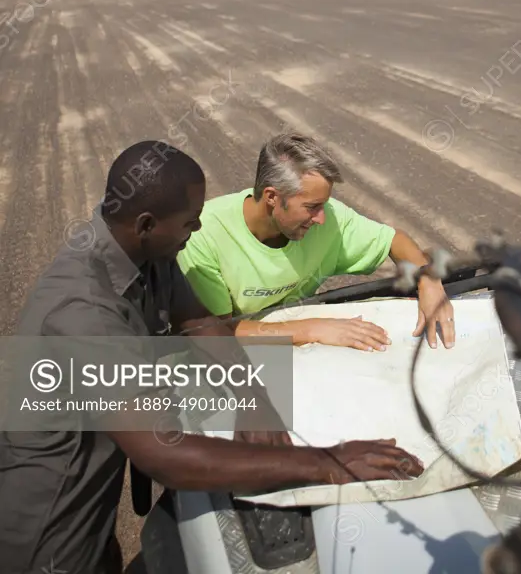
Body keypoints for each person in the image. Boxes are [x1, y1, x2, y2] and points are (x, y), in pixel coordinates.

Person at [0, 141, 423, 574]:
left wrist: (254, 401)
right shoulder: (84, 312)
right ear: (146, 224)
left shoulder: (142, 247)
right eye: (189, 221)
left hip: (96, 485)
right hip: (52, 515)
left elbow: (199, 324)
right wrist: (326, 462)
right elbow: (162, 453)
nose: (199, 228)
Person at [177, 132, 455, 351]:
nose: (321, 218)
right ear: (273, 197)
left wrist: (428, 281)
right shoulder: (205, 238)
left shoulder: (330, 219)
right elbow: (219, 334)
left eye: (324, 204)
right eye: (311, 207)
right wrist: (311, 329)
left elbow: (394, 240)